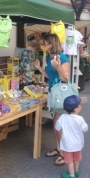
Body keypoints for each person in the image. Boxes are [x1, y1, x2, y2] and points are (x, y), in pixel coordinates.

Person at [33, 33, 70, 166]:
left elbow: (66, 78)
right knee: (56, 125)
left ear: (52, 43)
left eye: (46, 43)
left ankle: (64, 154)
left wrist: (59, 67)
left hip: (61, 93)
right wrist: (39, 68)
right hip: (53, 93)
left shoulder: (62, 57)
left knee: (58, 124)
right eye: (44, 43)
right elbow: (50, 76)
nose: (44, 45)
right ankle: (58, 148)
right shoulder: (50, 58)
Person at [55, 95, 88, 178]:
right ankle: (76, 172)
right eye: (79, 104)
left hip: (67, 144)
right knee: (77, 158)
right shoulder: (80, 119)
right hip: (78, 143)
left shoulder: (62, 117)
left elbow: (57, 127)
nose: (81, 106)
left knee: (69, 160)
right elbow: (85, 129)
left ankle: (71, 175)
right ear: (75, 108)